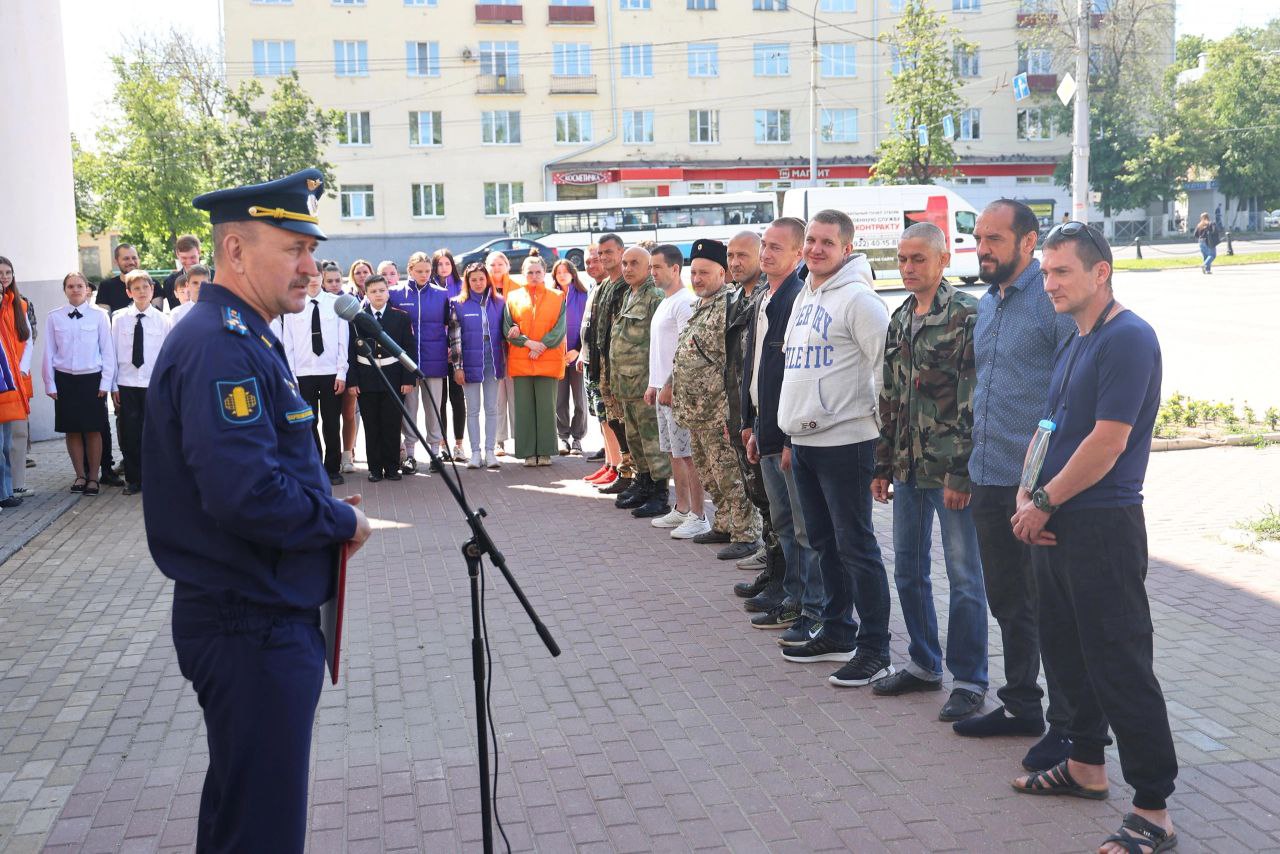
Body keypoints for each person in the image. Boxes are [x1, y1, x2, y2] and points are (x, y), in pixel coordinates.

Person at [144, 169, 371, 853]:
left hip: (260, 615)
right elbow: (246, 494)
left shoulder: (246, 333)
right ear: (235, 252)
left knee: (242, 818)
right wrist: (342, 523)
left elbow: (261, 472)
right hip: (250, 623)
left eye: (312, 250)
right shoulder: (221, 344)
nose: (310, 267)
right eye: (293, 249)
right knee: (261, 833)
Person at [1008, 221, 1178, 854]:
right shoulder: (1078, 338)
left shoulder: (1128, 338)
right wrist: (1029, 494)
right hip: (1056, 521)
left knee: (1119, 662)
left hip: (1102, 524)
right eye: (1046, 272)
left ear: (1100, 272)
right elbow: (1050, 426)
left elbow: (1106, 443)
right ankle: (1084, 766)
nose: (1048, 282)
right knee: (1067, 653)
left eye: (1061, 272)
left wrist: (1046, 500)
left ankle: (1154, 810)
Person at [955, 199, 1077, 771]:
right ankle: (1021, 705)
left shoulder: (1052, 304)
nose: (982, 248)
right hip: (989, 478)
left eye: (995, 239)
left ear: (1029, 243)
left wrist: (1048, 491)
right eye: (979, 237)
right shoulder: (989, 302)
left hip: (1036, 487)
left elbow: (1071, 400)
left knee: (1052, 608)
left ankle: (1068, 729)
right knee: (1008, 602)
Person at [868, 223, 988, 717]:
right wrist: (882, 463)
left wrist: (961, 473)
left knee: (964, 577)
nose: (909, 268)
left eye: (919, 259)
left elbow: (975, 399)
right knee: (909, 571)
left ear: (942, 261)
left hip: (950, 473)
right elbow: (890, 395)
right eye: (902, 259)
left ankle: (970, 679)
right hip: (908, 470)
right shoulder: (899, 318)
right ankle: (923, 662)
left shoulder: (966, 315)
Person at [777, 210, 894, 690]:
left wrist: (884, 447)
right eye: (812, 241)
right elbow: (796, 371)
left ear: (848, 248)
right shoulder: (806, 295)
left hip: (848, 442)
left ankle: (875, 650)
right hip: (805, 443)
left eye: (827, 242)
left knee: (857, 547)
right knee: (824, 544)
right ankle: (839, 631)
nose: (816, 249)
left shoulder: (860, 301)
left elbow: (886, 371)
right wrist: (789, 434)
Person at [741, 218, 825, 643]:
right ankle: (793, 596)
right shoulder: (763, 297)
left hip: (787, 430)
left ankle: (811, 606)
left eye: (778, 247)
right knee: (784, 522)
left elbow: (796, 374)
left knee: (804, 526)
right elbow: (753, 368)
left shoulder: (796, 296)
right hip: (765, 424)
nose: (767, 254)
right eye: (765, 246)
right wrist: (749, 421)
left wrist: (789, 436)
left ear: (797, 256)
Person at [670, 239, 762, 560]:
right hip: (696, 412)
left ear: (722, 273)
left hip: (718, 411)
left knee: (730, 474)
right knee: (710, 474)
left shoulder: (727, 306)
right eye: (693, 273)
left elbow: (735, 364)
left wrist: (732, 416)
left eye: (704, 273)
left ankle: (746, 534)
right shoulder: (701, 305)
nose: (697, 279)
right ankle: (723, 523)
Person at [725, 230, 787, 608]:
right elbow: (740, 363)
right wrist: (740, 416)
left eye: (742, 254)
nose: (735, 262)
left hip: (775, 422)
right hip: (746, 412)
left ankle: (782, 579)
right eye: (730, 255)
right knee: (764, 502)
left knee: (780, 512)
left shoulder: (778, 295)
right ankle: (774, 571)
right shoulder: (745, 298)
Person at [607, 245, 674, 515]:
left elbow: (664, 343)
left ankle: (659, 493)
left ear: (648, 267)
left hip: (646, 385)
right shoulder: (629, 295)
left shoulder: (654, 296)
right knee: (635, 440)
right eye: (624, 263)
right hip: (627, 385)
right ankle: (643, 482)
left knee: (652, 441)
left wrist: (660, 382)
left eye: (634, 263)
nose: (627, 268)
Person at [644, 244, 704, 536]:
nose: (652, 272)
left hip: (678, 392)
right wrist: (653, 384)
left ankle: (698, 514)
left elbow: (686, 351)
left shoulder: (684, 302)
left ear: (675, 269)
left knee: (687, 454)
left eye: (657, 267)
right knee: (673, 452)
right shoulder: (664, 302)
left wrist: (670, 384)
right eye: (651, 267)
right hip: (662, 391)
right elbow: (660, 350)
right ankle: (681, 509)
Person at [42, 272, 114, 496]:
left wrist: (106, 382)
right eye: (70, 286)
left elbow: (107, 350)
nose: (75, 290)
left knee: (94, 429)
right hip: (65, 379)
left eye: (79, 286)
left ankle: (94, 477)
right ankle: (80, 475)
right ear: (65, 290)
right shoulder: (54, 317)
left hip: (91, 379)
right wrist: (50, 384)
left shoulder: (100, 316)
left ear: (87, 290)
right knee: (71, 429)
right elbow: (49, 352)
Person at [282, 265, 350, 484]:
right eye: (308, 276)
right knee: (308, 423)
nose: (313, 280)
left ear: (322, 277)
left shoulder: (335, 304)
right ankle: (314, 468)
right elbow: (288, 343)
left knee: (331, 423)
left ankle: (332, 468)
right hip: (303, 374)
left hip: (330, 372)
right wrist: (292, 377)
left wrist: (341, 373)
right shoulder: (293, 305)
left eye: (316, 275)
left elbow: (343, 341)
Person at [347, 274, 415, 482]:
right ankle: (375, 468)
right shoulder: (357, 318)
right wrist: (353, 381)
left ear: (388, 291)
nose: (378, 294)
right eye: (373, 291)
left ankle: (392, 467)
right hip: (367, 378)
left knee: (392, 424)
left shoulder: (401, 317)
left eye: (381, 290)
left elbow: (408, 349)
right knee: (371, 425)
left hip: (394, 377)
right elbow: (350, 352)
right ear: (366, 294)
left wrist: (408, 379)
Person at [110, 270, 172, 495]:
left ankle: (155, 478)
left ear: (152, 290)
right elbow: (113, 353)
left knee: (153, 433)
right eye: (136, 288)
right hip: (126, 384)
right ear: (129, 292)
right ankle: (134, 479)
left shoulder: (164, 321)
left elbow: (168, 356)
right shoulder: (119, 320)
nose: (142, 292)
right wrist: (113, 386)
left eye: (146, 287)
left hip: (152, 385)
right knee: (130, 433)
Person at [389, 251, 450, 473]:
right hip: (407, 363)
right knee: (409, 409)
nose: (424, 275)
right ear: (410, 270)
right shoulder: (395, 294)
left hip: (435, 360)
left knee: (434, 409)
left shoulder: (442, 294)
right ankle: (411, 455)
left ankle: (435, 453)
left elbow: (450, 326)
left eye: (427, 271)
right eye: (419, 271)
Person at [503, 254, 566, 465]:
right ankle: (528, 453)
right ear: (523, 274)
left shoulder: (557, 296)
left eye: (538, 272)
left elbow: (560, 328)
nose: (534, 275)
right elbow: (507, 327)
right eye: (530, 272)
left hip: (548, 359)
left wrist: (542, 346)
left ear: (545, 273)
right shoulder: (512, 297)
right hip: (522, 359)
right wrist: (528, 343)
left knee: (547, 408)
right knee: (524, 409)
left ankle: (546, 451)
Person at [589, 234, 638, 496]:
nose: (604, 257)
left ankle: (633, 473)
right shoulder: (607, 285)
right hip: (605, 364)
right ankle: (625, 470)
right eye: (601, 253)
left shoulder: (626, 286)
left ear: (621, 252)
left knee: (625, 421)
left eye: (609, 252)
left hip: (623, 368)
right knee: (613, 419)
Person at [449, 263, 506, 469]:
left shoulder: (499, 302)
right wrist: (458, 367)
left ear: (487, 279)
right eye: (473, 279)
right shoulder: (457, 304)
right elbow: (454, 338)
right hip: (469, 362)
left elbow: (507, 329)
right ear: (467, 282)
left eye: (481, 278)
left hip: (493, 360)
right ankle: (475, 453)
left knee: (492, 408)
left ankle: (490, 451)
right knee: (472, 409)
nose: (478, 283)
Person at [579, 245, 624, 484]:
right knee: (600, 416)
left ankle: (617, 466)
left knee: (610, 417)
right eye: (588, 262)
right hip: (590, 361)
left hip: (605, 364)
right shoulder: (595, 287)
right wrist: (582, 355)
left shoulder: (615, 287)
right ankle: (609, 462)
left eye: (597, 259)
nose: (593, 265)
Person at [0, 258, 34, 500]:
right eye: (0, 273)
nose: (4, 276)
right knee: (4, 440)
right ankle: (6, 489)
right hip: (3, 380)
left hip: (18, 380)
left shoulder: (22, 304)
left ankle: (17, 484)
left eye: (8, 272)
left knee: (18, 435)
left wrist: (22, 369)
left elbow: (30, 337)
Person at [430, 249, 467, 461]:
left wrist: (454, 349)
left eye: (447, 263)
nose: (444, 267)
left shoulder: (462, 286)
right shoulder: (431, 288)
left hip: (457, 350)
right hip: (436, 349)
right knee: (439, 400)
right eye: (440, 264)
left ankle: (459, 444)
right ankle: (442, 444)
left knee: (457, 398)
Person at [552, 258, 589, 457]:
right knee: (560, 400)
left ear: (573, 274)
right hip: (557, 357)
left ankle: (577, 438)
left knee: (580, 400)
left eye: (566, 271)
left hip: (577, 355)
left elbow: (587, 326)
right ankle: (563, 437)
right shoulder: (551, 296)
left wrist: (577, 349)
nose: (563, 275)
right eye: (559, 272)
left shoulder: (583, 296)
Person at [341, 259, 375, 472]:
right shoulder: (348, 298)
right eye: (358, 272)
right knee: (353, 411)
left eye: (365, 271)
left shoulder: (377, 293)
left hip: (373, 359)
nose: (362, 275)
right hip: (353, 357)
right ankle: (350, 450)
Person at [487, 251, 519, 456]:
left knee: (516, 396)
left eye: (500, 264)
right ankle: (499, 440)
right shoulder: (482, 288)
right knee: (497, 398)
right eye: (492, 264)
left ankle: (519, 438)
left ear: (507, 266)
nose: (496, 268)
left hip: (515, 349)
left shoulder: (518, 288)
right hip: (494, 350)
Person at [157, 234, 202, 309]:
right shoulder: (169, 283)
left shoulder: (215, 277)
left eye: (192, 257)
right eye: (184, 258)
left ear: (199, 253)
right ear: (177, 255)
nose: (189, 262)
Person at [96, 243, 141, 314]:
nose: (131, 262)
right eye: (126, 258)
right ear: (116, 262)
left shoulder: (152, 284)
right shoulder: (106, 286)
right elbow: (105, 319)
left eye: (134, 258)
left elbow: (156, 317)